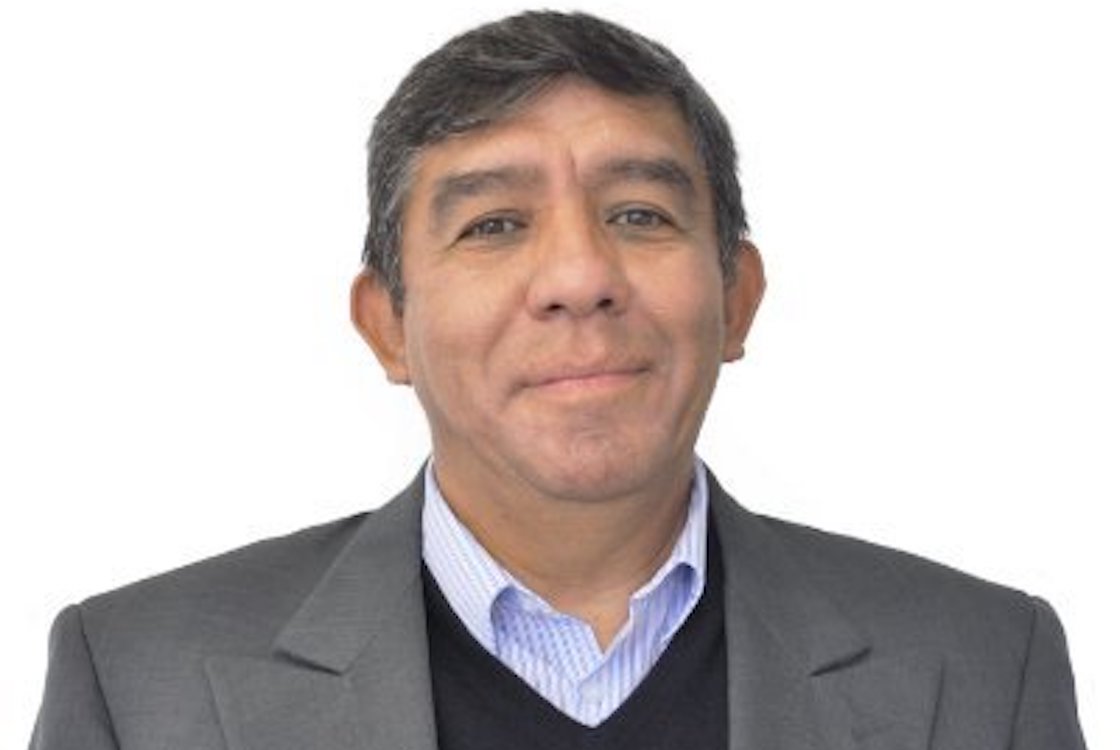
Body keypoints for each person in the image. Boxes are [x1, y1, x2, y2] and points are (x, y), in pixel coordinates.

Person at [30, 10, 1086, 750]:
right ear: (387, 325)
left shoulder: (983, 668)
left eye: (639, 214)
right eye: (494, 224)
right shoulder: (137, 681)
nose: (580, 277)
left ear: (737, 297)